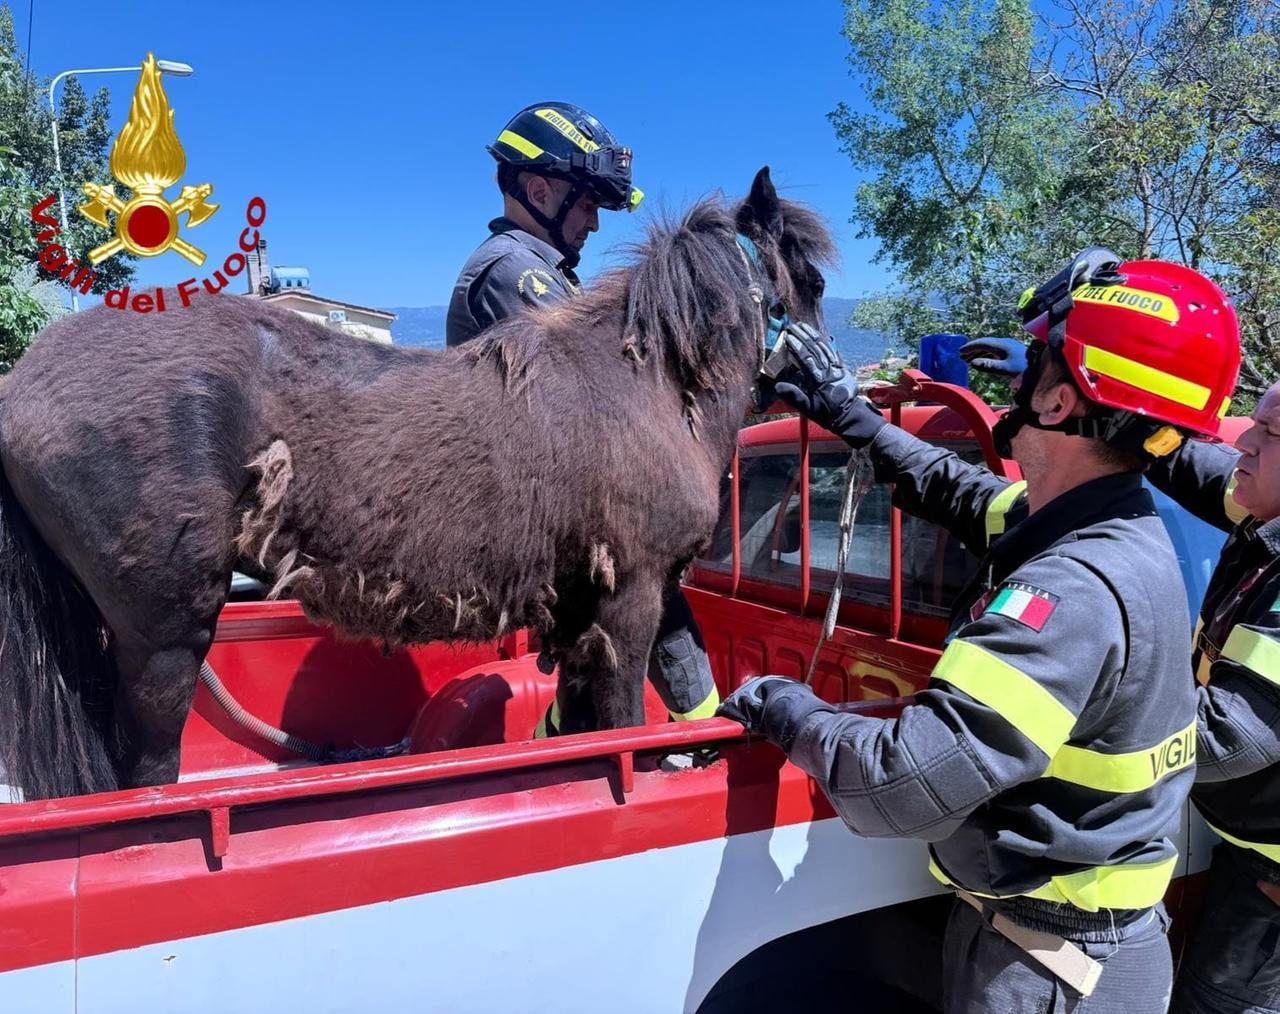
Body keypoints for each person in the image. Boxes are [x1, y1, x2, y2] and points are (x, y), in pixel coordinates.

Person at [718, 249, 1242, 1011]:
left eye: (1037, 359)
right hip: (1053, 944)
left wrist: (782, 706)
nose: (1018, 377)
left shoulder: (1071, 588)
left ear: (1061, 401)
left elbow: (900, 787)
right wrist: (850, 415)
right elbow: (959, 492)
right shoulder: (1100, 521)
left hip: (1053, 970)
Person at [447, 102, 718, 734]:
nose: (596, 222)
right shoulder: (512, 273)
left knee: (619, 599)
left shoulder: (543, 273)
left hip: (563, 508)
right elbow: (597, 397)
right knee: (641, 575)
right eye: (588, 202)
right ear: (539, 189)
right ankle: (708, 738)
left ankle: (572, 746)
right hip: (532, 512)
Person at [445, 101, 644, 348]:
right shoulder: (515, 267)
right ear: (539, 194)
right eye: (588, 205)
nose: (594, 225)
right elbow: (586, 373)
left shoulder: (538, 264)